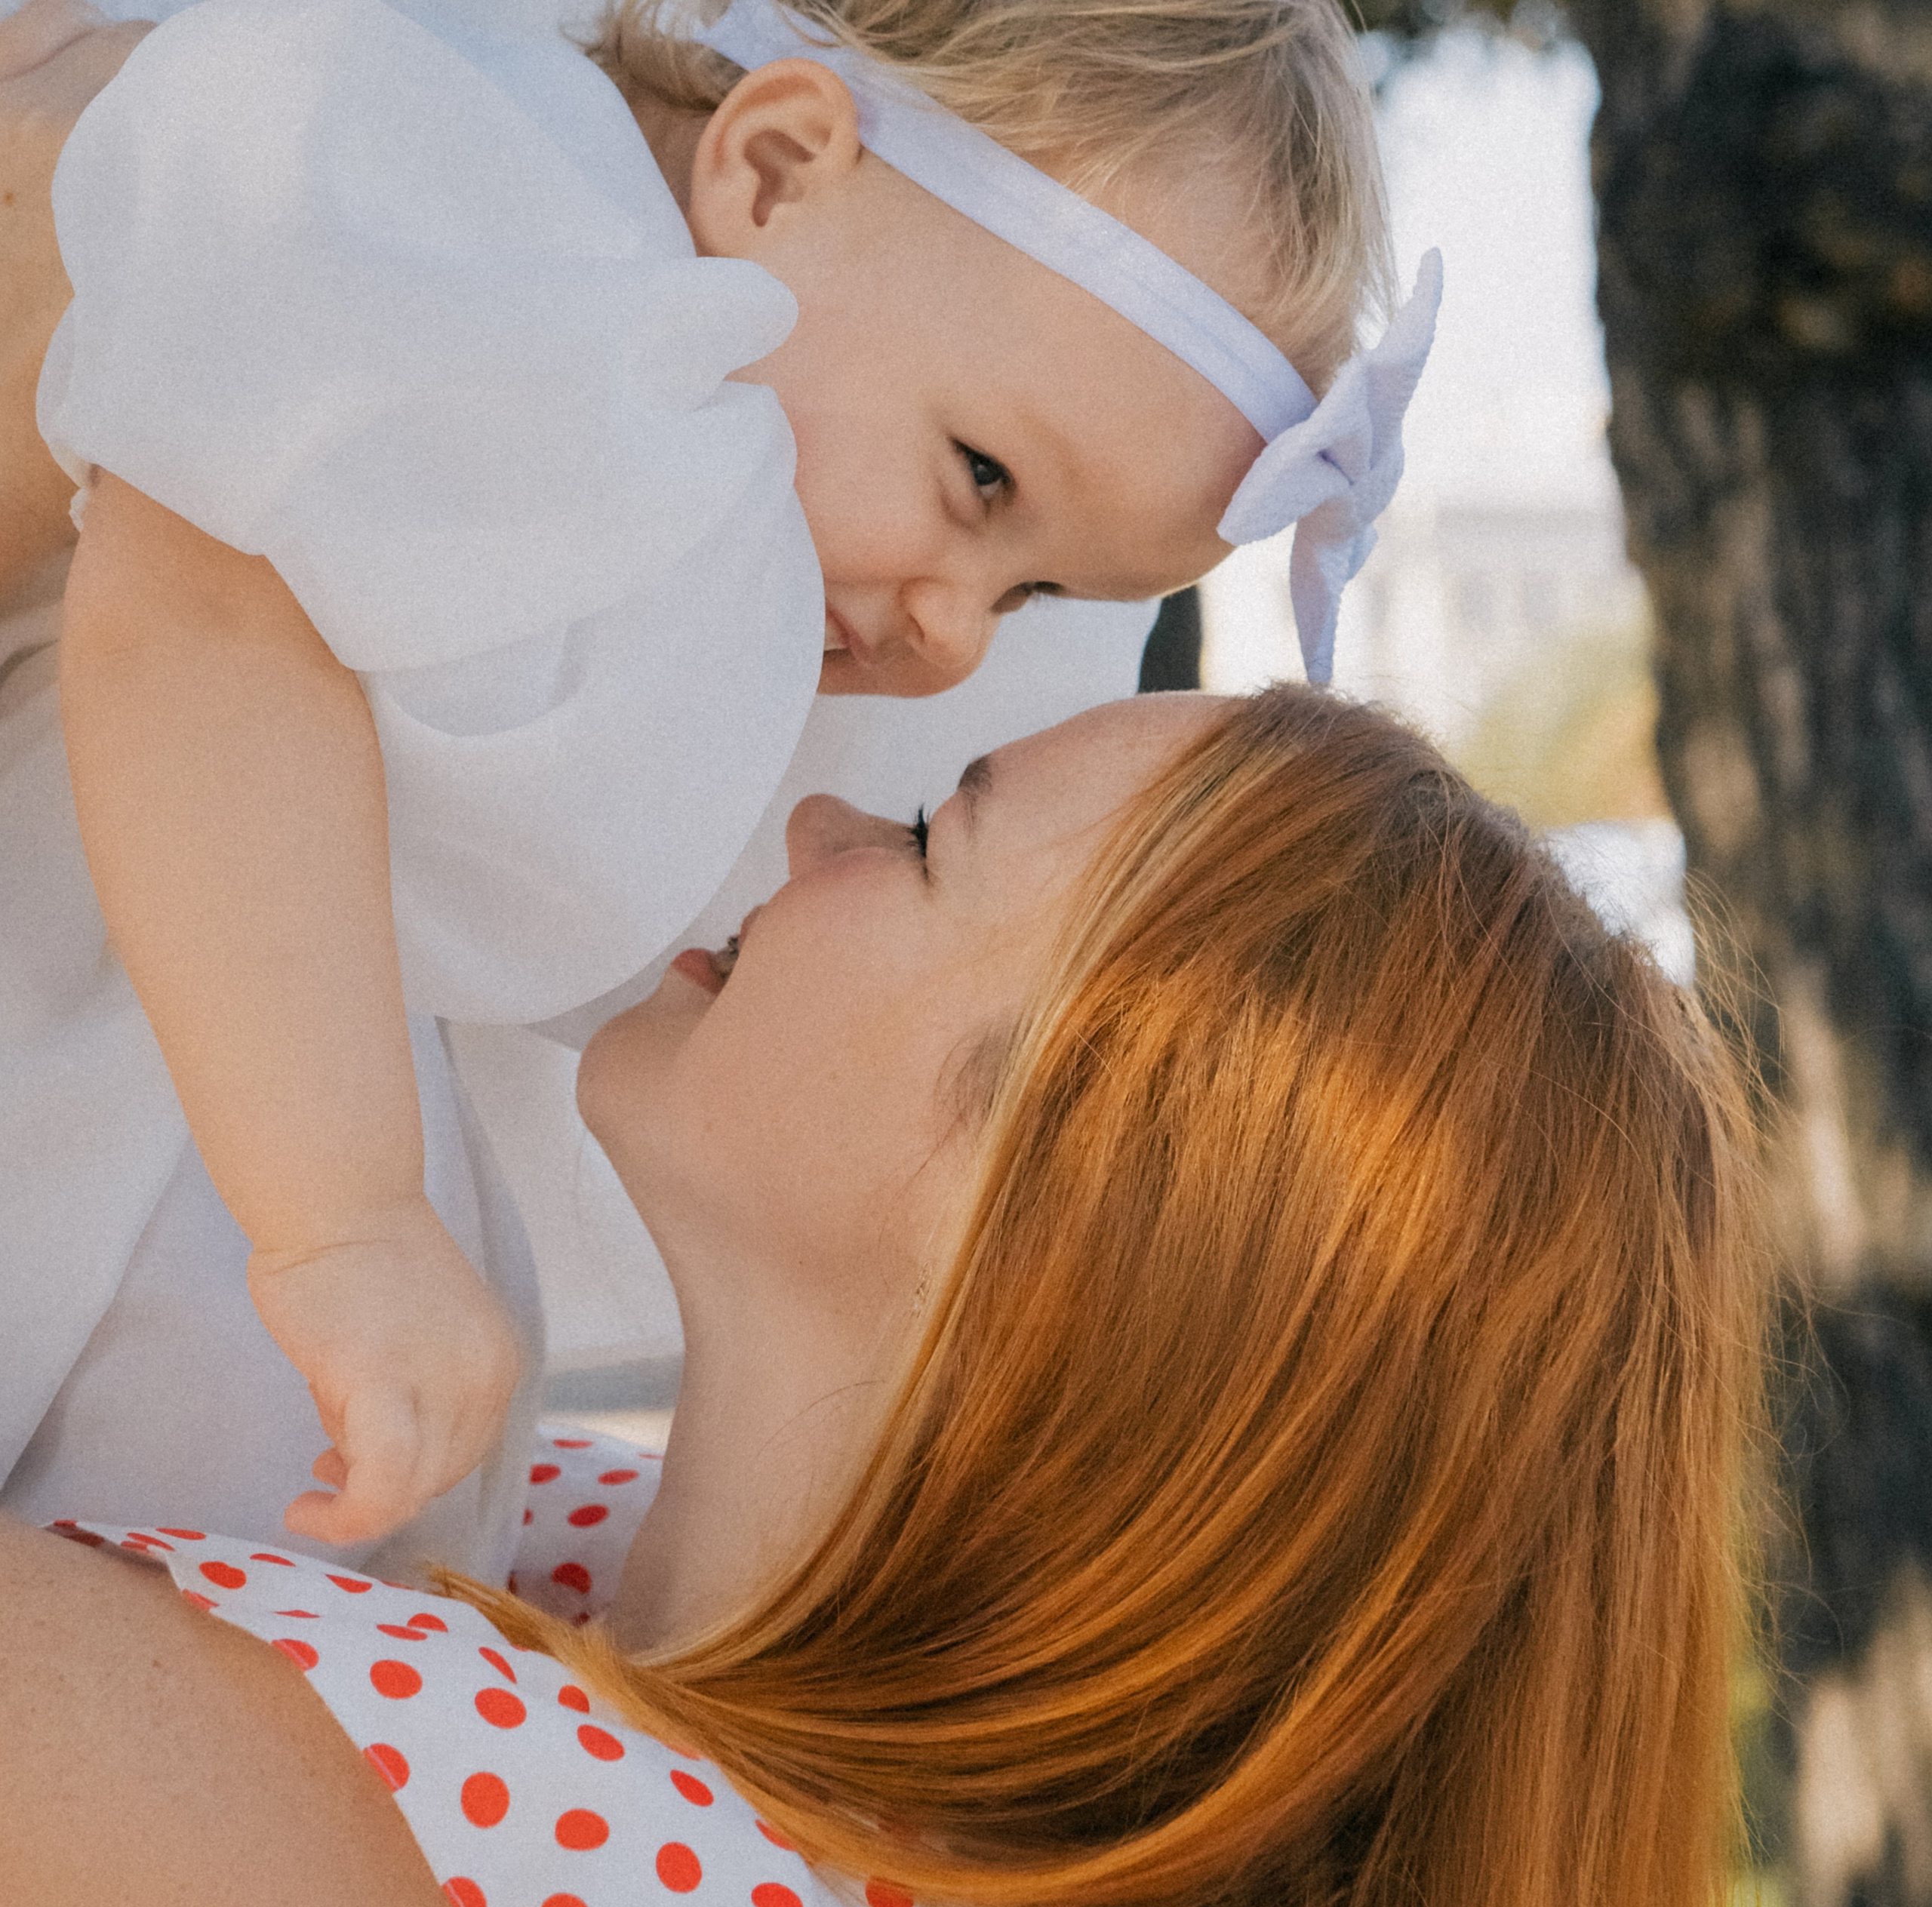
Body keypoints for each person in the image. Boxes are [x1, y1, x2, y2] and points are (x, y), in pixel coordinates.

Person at [0, 0, 1435, 1562]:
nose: (956, 633)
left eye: (1030, 593)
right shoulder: (483, 199)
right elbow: (201, 614)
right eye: (981, 479)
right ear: (772, 169)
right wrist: (345, 1219)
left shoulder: (666, 463)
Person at [0, 685, 1767, 1907]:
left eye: (929, 838)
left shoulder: (518, 1836)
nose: (820, 823)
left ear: (1036, 1217)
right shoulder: (660, 1650)